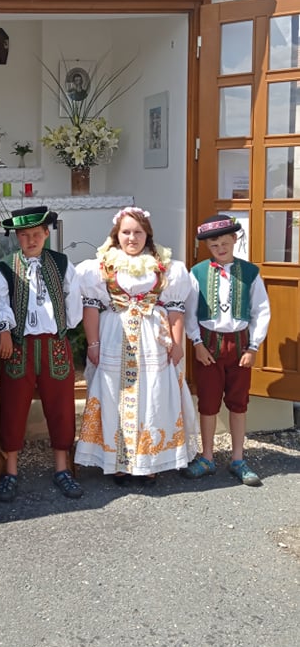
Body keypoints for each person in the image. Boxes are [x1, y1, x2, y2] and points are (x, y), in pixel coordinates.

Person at [74, 206, 197, 485]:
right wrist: (93, 344)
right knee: (113, 396)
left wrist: (177, 344)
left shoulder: (166, 266)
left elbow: (175, 309)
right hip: (114, 337)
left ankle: (149, 460)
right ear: (116, 235)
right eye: (126, 232)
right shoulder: (100, 266)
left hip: (153, 340)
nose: (132, 238)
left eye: (138, 232)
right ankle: (118, 461)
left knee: (153, 396)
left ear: (147, 234)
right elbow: (90, 308)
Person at [0, 206, 83, 502]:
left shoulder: (61, 264)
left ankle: (63, 468)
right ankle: (10, 471)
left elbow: (73, 297)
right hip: (19, 346)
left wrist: (65, 326)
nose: (31, 240)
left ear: (46, 234)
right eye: (24, 235)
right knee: (13, 407)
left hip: (54, 345)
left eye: (36, 234)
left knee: (61, 406)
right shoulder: (6, 267)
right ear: (17, 237)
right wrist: (4, 330)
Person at [183, 214, 270, 486]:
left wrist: (253, 347)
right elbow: (189, 312)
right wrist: (196, 343)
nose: (220, 248)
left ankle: (238, 458)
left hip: (240, 345)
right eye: (214, 245)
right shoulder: (197, 273)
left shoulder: (250, 273)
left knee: (238, 401)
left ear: (234, 239)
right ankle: (207, 456)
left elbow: (261, 311)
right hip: (208, 344)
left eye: (224, 242)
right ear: (207, 246)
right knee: (208, 401)